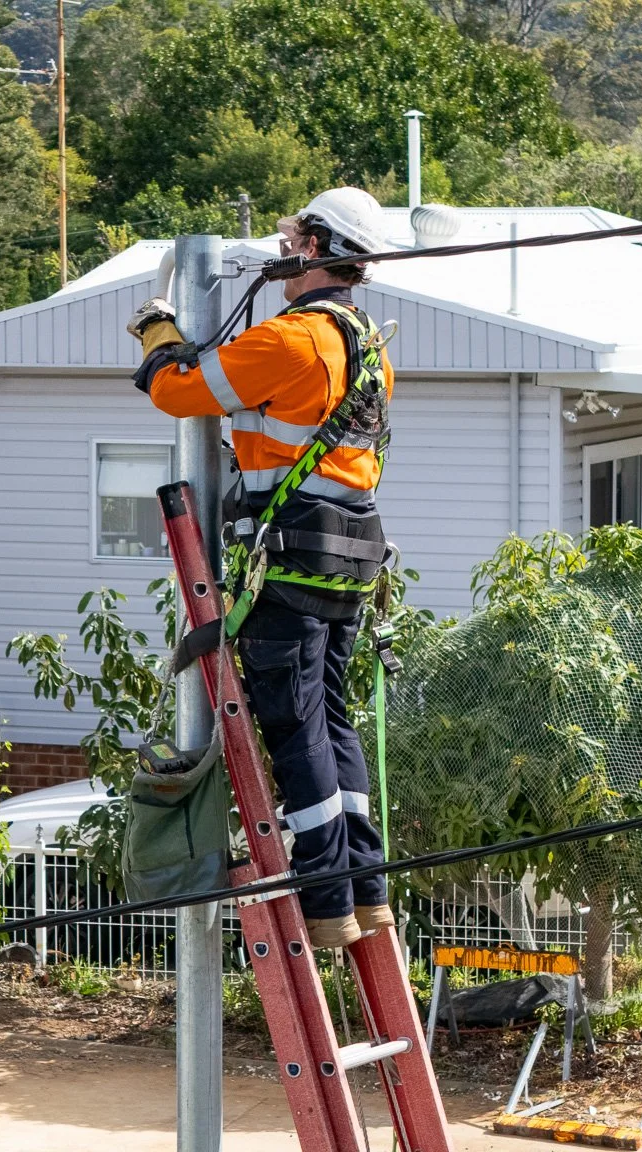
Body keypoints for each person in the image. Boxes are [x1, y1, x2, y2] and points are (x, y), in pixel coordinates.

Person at [125, 188, 395, 949]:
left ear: (314, 247)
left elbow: (180, 390)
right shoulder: (366, 343)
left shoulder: (297, 338)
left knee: (292, 719)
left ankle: (325, 891)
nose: (279, 240)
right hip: (348, 559)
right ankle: (362, 887)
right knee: (331, 717)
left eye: (291, 231)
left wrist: (155, 331)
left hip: (295, 562)